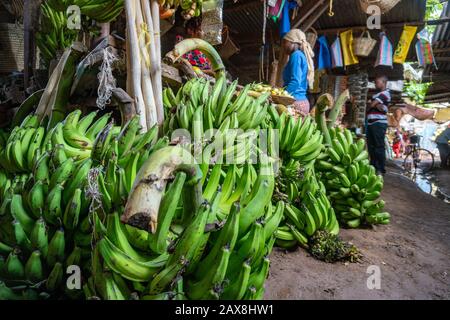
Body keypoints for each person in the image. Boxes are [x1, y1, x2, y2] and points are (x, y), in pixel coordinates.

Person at [281, 29, 315, 117]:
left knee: (274, 128)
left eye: (285, 42)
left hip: (295, 102)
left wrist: (281, 95)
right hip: (300, 101)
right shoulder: (299, 55)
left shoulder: (296, 55)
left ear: (293, 43)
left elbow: (295, 81)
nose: (283, 45)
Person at [366, 75, 391, 175]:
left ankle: (380, 168)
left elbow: (370, 105)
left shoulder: (385, 93)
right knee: (371, 146)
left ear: (383, 82)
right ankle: (373, 167)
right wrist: (377, 105)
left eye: (377, 82)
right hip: (371, 123)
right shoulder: (377, 95)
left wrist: (372, 104)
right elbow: (373, 105)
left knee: (378, 146)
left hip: (379, 123)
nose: (376, 84)